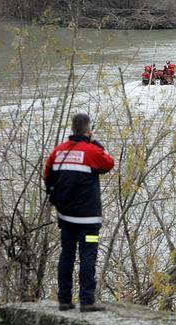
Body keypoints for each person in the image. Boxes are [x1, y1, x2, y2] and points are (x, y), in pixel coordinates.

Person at [43, 113, 115, 312]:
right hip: (88, 218)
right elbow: (108, 163)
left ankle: (64, 300)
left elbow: (47, 175)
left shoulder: (58, 151)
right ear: (87, 130)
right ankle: (86, 300)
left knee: (66, 254)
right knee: (88, 255)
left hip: (65, 216)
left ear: (72, 129)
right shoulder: (91, 151)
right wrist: (96, 143)